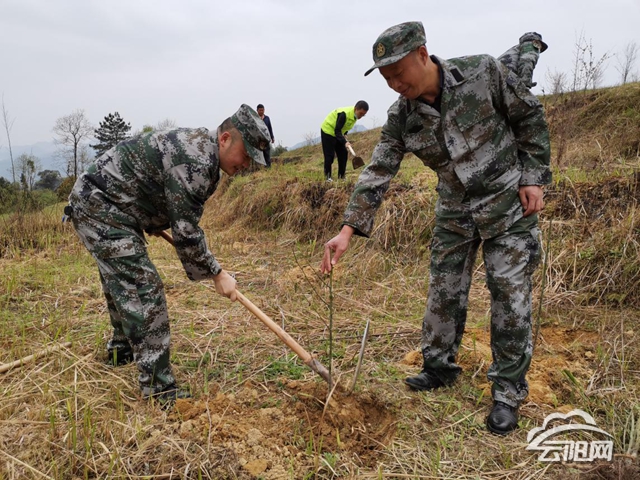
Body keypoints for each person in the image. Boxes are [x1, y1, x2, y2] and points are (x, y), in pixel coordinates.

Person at [320, 22, 551, 435]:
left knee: (509, 293)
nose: (395, 85)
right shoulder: (402, 117)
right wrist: (348, 229)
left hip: (507, 203)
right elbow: (377, 171)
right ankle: (439, 368)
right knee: (444, 290)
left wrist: (533, 175)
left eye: (399, 73)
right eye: (386, 78)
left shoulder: (483, 72)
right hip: (455, 210)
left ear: (423, 55)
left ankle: (507, 393)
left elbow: (529, 115)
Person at [66, 104, 271, 404]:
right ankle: (158, 388)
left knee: (122, 280)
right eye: (245, 155)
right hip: (100, 205)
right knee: (142, 287)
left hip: (110, 204)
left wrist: (150, 216)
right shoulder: (197, 161)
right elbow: (186, 233)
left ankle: (121, 350)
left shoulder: (205, 152)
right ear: (225, 138)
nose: (246, 164)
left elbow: (164, 195)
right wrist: (217, 274)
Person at [320, 101, 369, 181]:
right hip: (328, 131)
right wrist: (345, 142)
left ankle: (341, 177)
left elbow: (345, 125)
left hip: (338, 133)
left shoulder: (354, 117)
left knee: (343, 153)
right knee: (330, 155)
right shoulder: (344, 114)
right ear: (356, 109)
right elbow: (337, 130)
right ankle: (328, 177)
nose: (361, 116)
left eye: (363, 115)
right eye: (360, 113)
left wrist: (345, 134)